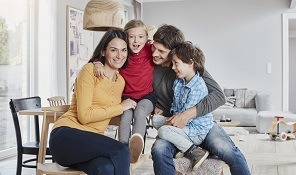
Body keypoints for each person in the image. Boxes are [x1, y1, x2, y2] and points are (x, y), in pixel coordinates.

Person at [151, 24, 251, 175]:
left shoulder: (189, 67)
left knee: (225, 149)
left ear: (174, 53)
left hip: (199, 123)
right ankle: (192, 150)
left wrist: (186, 115)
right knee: (159, 150)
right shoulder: (149, 63)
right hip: (171, 122)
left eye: (161, 51)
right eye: (154, 48)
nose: (154, 54)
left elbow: (218, 96)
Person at [49, 28, 136, 175]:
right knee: (121, 150)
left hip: (91, 144)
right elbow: (84, 116)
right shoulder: (89, 70)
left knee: (105, 168)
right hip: (65, 137)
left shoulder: (120, 81)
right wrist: (120, 107)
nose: (119, 55)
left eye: (124, 50)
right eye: (114, 50)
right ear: (103, 52)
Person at [93, 19, 156, 163]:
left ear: (147, 38)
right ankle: (123, 148)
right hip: (127, 97)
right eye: (131, 36)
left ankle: (136, 145)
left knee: (140, 111)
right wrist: (97, 64)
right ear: (125, 38)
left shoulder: (149, 50)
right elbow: (100, 55)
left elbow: (164, 54)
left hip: (147, 96)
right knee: (126, 116)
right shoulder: (122, 53)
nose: (136, 41)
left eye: (140, 36)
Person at [156, 41, 213, 171]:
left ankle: (196, 151)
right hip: (183, 125)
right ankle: (182, 145)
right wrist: (168, 120)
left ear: (190, 63)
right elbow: (176, 108)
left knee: (163, 131)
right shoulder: (179, 81)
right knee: (156, 120)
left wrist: (168, 126)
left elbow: (185, 118)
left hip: (196, 130)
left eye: (176, 63)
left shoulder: (197, 87)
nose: (173, 67)